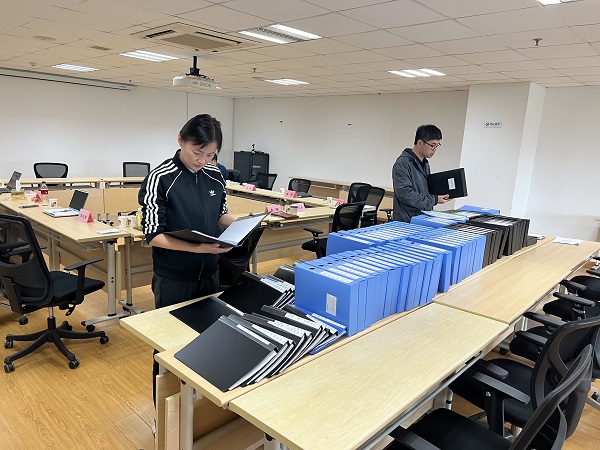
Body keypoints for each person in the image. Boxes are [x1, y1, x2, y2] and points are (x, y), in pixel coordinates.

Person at [139, 114, 236, 309]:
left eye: (210, 155)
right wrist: (198, 248)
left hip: (210, 271)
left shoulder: (215, 175)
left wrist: (241, 225)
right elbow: (153, 236)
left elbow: (220, 215)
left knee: (208, 325)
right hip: (174, 276)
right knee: (172, 328)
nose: (202, 160)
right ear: (180, 140)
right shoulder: (160, 178)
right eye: (197, 152)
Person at [392, 124, 450, 222]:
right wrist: (435, 200)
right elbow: (405, 194)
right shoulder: (403, 164)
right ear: (420, 142)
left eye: (437, 145)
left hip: (422, 218)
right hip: (407, 221)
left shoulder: (424, 164)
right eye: (432, 145)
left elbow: (424, 190)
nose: (434, 149)